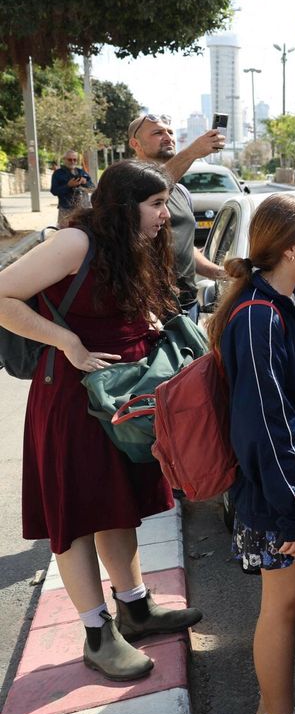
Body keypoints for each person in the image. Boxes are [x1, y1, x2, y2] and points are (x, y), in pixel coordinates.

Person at [0, 161, 202, 681]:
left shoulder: (131, 243)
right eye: (156, 204)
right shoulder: (76, 243)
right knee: (78, 518)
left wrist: (147, 320)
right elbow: (2, 295)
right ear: (123, 206)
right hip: (72, 400)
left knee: (119, 506)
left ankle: (134, 609)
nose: (166, 214)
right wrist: (68, 342)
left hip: (124, 397)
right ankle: (96, 634)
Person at [206, 192, 295, 714]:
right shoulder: (261, 315)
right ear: (289, 250)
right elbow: (267, 425)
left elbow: (287, 397)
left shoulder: (281, 302)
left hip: (287, 491)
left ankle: (274, 710)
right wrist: (294, 514)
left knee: (287, 603)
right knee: (283, 608)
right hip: (281, 497)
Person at [128, 114, 228, 318]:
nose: (167, 137)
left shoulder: (181, 192)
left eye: (170, 132)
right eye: (157, 132)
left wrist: (219, 273)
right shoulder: (125, 184)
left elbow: (183, 245)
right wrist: (193, 152)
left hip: (188, 304)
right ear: (135, 143)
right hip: (147, 308)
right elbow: (150, 185)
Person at [51, 150, 94, 228]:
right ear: (64, 160)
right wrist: (68, 185)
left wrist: (85, 182)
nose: (72, 162)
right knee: (65, 232)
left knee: (85, 231)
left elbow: (92, 188)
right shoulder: (58, 174)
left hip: (83, 210)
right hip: (66, 210)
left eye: (75, 159)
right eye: (70, 159)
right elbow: (54, 191)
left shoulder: (82, 172)